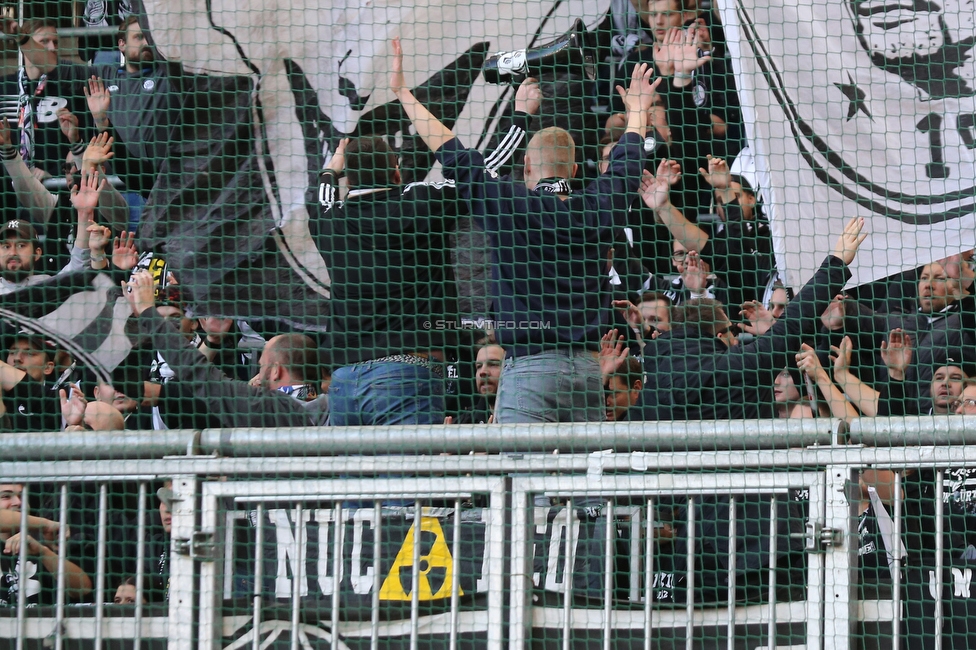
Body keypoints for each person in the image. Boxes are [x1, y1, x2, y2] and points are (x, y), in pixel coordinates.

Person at [392, 37, 657, 423]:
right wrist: (638, 111)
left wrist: (403, 92)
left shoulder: (508, 203)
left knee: (520, 478)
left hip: (529, 370)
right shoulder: (599, 205)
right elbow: (627, 162)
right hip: (586, 372)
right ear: (576, 171)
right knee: (580, 483)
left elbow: (450, 151)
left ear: (527, 169)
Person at [642, 217, 868, 420]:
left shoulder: (651, 377)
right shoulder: (732, 366)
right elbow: (791, 325)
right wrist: (836, 264)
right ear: (719, 336)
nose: (736, 340)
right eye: (731, 331)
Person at [313, 133, 462, 426]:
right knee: (407, 472)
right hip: (405, 374)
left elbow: (322, 198)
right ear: (396, 169)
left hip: (344, 380)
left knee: (350, 473)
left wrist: (331, 170)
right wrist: (520, 116)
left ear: (350, 178)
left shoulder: (329, 222)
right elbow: (477, 176)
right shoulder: (421, 203)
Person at [123, 270, 327, 428]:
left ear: (276, 371)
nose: (257, 369)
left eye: (262, 364)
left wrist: (147, 313)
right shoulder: (333, 405)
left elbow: (199, 374)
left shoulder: (265, 406)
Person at [0, 483, 92, 607]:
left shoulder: (42, 542)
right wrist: (46, 524)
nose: (18, 502)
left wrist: (43, 552)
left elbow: (82, 589)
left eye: (22, 496)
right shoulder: (44, 528)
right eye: (6, 496)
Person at [455, 344, 505, 424]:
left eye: (493, 364)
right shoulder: (464, 423)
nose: (482, 372)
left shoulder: (525, 418)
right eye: (479, 366)